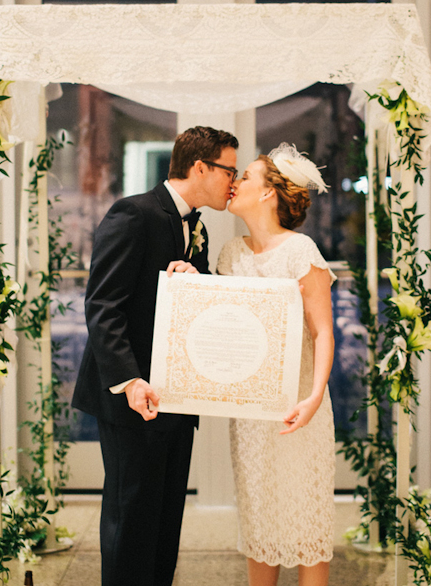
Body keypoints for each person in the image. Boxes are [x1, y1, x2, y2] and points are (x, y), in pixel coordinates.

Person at [72, 125, 238, 586]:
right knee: (132, 518)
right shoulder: (134, 213)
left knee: (165, 518)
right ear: (200, 167)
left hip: (175, 398)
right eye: (230, 170)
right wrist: (129, 381)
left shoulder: (195, 224)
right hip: (134, 397)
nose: (235, 181)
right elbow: (103, 306)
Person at [217, 143, 335, 586]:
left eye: (245, 177)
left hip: (298, 404)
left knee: (306, 522)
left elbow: (323, 332)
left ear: (268, 193)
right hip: (251, 413)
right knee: (260, 519)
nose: (235, 183)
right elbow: (224, 323)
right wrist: (191, 283)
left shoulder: (300, 250)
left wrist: (313, 398)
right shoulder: (231, 253)